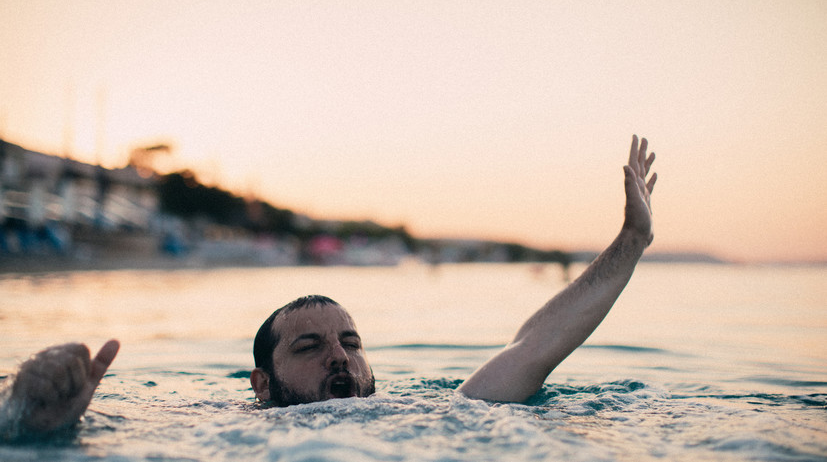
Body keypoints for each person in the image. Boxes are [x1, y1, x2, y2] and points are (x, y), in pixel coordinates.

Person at [1, 135, 657, 437]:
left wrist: (629, 243)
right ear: (260, 385)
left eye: (349, 341)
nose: (339, 356)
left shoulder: (423, 418)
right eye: (309, 346)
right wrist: (33, 413)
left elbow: (532, 347)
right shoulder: (208, 429)